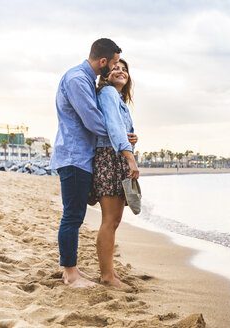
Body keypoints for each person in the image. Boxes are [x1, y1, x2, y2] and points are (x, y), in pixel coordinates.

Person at [50, 38, 121, 288]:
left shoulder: (84, 79)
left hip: (79, 157)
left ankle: (73, 268)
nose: (113, 69)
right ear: (102, 61)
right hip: (74, 157)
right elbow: (92, 120)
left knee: (75, 215)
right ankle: (70, 273)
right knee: (72, 216)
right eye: (112, 63)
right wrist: (119, 134)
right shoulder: (77, 79)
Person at [87, 58, 139, 287]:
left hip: (114, 156)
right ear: (105, 75)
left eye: (124, 69)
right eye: (115, 68)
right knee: (109, 220)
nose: (121, 71)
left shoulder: (118, 99)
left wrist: (132, 138)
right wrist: (130, 158)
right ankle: (107, 276)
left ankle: (110, 272)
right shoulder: (108, 93)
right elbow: (113, 128)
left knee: (114, 220)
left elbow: (120, 129)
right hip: (110, 158)